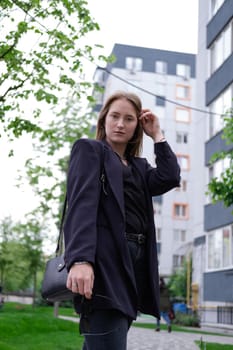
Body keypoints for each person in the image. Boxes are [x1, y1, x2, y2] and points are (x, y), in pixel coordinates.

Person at [64, 91, 180, 350]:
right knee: (109, 340)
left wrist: (157, 135)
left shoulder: (139, 168)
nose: (120, 124)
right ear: (104, 119)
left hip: (135, 266)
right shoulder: (91, 150)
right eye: (115, 116)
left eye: (129, 119)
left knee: (105, 340)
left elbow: (170, 176)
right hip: (105, 261)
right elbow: (81, 206)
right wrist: (81, 259)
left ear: (137, 126)